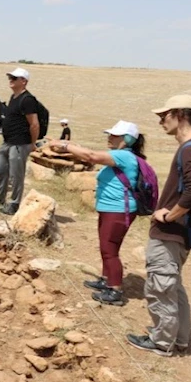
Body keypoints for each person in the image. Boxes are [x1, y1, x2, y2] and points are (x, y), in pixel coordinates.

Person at [125, 95, 191, 357]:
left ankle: (162, 341)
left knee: (160, 287)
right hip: (180, 235)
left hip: (171, 234)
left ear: (180, 115)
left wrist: (168, 215)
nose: (161, 121)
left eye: (164, 116)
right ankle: (180, 339)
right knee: (172, 285)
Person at [50, 120, 146, 306]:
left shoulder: (123, 156)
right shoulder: (119, 154)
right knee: (106, 246)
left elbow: (91, 156)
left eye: (114, 135)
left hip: (119, 209)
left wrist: (64, 145)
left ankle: (115, 289)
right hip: (111, 208)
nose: (109, 137)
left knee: (110, 249)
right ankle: (106, 279)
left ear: (126, 139)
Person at [0, 68, 39, 215]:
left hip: (20, 143)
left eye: (14, 78)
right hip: (8, 141)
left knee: (16, 175)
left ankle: (14, 203)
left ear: (24, 81)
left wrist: (32, 143)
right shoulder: (14, 97)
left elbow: (34, 124)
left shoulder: (27, 100)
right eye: (10, 77)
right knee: (1, 171)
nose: (11, 80)